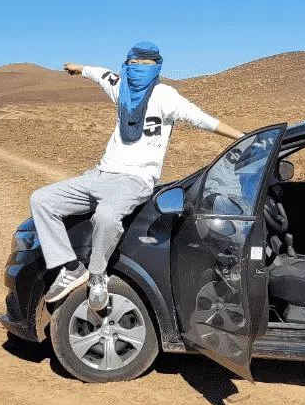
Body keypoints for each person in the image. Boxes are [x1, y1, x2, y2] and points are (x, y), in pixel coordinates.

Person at [32, 42, 244, 310]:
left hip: (135, 179)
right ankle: (72, 268)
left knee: (106, 216)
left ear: (157, 66)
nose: (139, 69)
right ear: (127, 64)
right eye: (134, 63)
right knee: (41, 200)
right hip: (100, 174)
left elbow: (201, 119)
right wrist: (79, 68)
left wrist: (242, 137)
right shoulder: (121, 88)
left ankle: (97, 275)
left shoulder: (165, 96)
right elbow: (102, 75)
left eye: (146, 64)